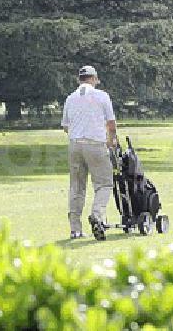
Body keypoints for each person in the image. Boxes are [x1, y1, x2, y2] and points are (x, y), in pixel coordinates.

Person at [60, 65, 118, 239]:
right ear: (93, 79)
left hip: (75, 145)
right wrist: (112, 140)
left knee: (77, 187)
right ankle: (97, 215)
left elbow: (65, 126)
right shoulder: (101, 96)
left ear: (80, 79)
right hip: (95, 144)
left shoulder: (70, 98)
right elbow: (111, 124)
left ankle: (75, 229)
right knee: (104, 183)